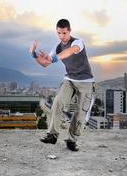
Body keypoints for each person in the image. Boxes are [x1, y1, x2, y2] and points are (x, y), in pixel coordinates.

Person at [29, 19, 94, 151]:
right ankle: (52, 135)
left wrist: (52, 58)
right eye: (59, 33)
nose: (61, 36)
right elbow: (45, 64)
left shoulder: (77, 42)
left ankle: (71, 140)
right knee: (57, 103)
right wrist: (33, 54)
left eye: (64, 33)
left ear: (69, 31)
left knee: (80, 113)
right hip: (69, 79)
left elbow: (69, 52)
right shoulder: (58, 47)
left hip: (85, 81)